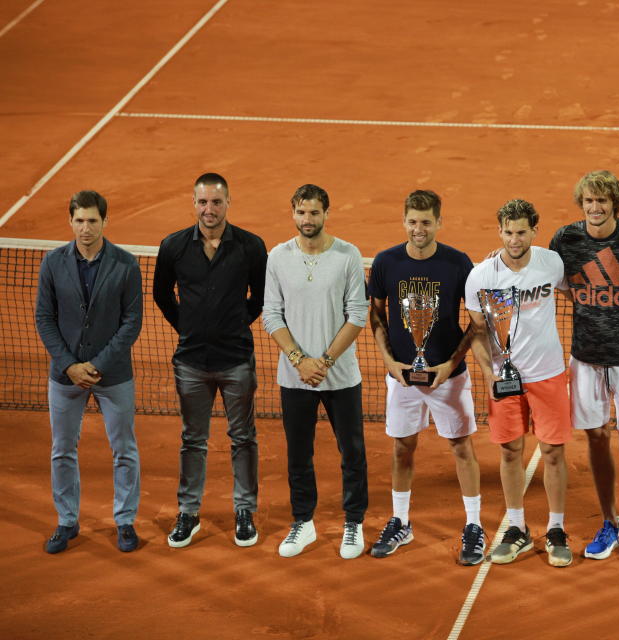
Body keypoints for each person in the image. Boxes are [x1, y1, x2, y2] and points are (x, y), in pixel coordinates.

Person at [367, 190, 485, 565]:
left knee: (462, 447)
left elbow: (477, 320)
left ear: (439, 222)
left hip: (448, 377)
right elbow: (377, 314)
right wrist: (388, 361)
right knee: (402, 446)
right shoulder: (386, 263)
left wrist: (451, 364)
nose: (419, 229)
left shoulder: (458, 263)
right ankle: (401, 521)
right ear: (404, 221)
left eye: (426, 222)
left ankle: (474, 525)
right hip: (402, 378)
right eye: (413, 222)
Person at [548, 170, 619, 570]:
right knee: (596, 439)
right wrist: (502, 259)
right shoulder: (565, 240)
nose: (595, 208)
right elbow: (544, 274)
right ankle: (611, 523)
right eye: (589, 201)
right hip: (586, 359)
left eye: (602, 201)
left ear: (615, 204)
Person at [154, 173, 267, 549]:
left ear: (228, 202)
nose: (209, 210)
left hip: (236, 359)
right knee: (192, 440)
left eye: (216, 202)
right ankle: (188, 512)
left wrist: (233, 324)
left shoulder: (251, 247)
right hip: (191, 362)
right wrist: (188, 325)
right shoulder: (173, 247)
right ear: (194, 202)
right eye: (202, 202)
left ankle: (245, 511)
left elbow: (261, 297)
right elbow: (161, 295)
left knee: (243, 438)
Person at [263, 184, 369, 560]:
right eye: (301, 212)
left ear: (326, 213)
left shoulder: (347, 255)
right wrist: (299, 360)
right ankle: (303, 522)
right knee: (298, 454)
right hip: (295, 378)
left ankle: (353, 523)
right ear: (293, 213)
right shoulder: (277, 257)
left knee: (352, 451)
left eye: (314, 213)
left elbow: (357, 314)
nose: (307, 219)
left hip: (340, 377)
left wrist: (322, 362)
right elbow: (271, 314)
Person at [465, 199, 573, 568]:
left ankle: (556, 529)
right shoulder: (481, 276)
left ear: (534, 231)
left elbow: (576, 294)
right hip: (505, 380)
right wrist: (489, 375)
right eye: (508, 232)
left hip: (548, 374)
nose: (514, 239)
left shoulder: (551, 264)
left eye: (521, 232)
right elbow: (478, 332)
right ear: (499, 231)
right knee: (510, 451)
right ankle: (516, 528)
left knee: (554, 452)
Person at [35, 190, 143, 554]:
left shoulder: (126, 264)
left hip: (112, 375)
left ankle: (125, 520)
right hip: (65, 376)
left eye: (92, 220)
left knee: (124, 449)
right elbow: (44, 318)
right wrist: (70, 365)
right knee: (62, 450)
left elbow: (131, 322)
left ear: (105, 222)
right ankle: (67, 521)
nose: (85, 228)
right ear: (70, 222)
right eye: (79, 220)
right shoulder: (51, 263)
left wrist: (96, 365)